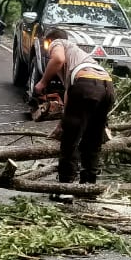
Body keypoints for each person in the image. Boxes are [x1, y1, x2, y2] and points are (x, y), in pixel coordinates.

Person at [33, 27, 115, 192]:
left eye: (45, 46)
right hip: (107, 87)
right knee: (93, 140)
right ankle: (88, 186)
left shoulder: (59, 42)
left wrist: (42, 83)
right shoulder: (79, 58)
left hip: (86, 85)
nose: (46, 50)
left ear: (49, 41)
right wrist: (63, 123)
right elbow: (70, 96)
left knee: (70, 141)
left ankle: (65, 188)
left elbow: (57, 59)